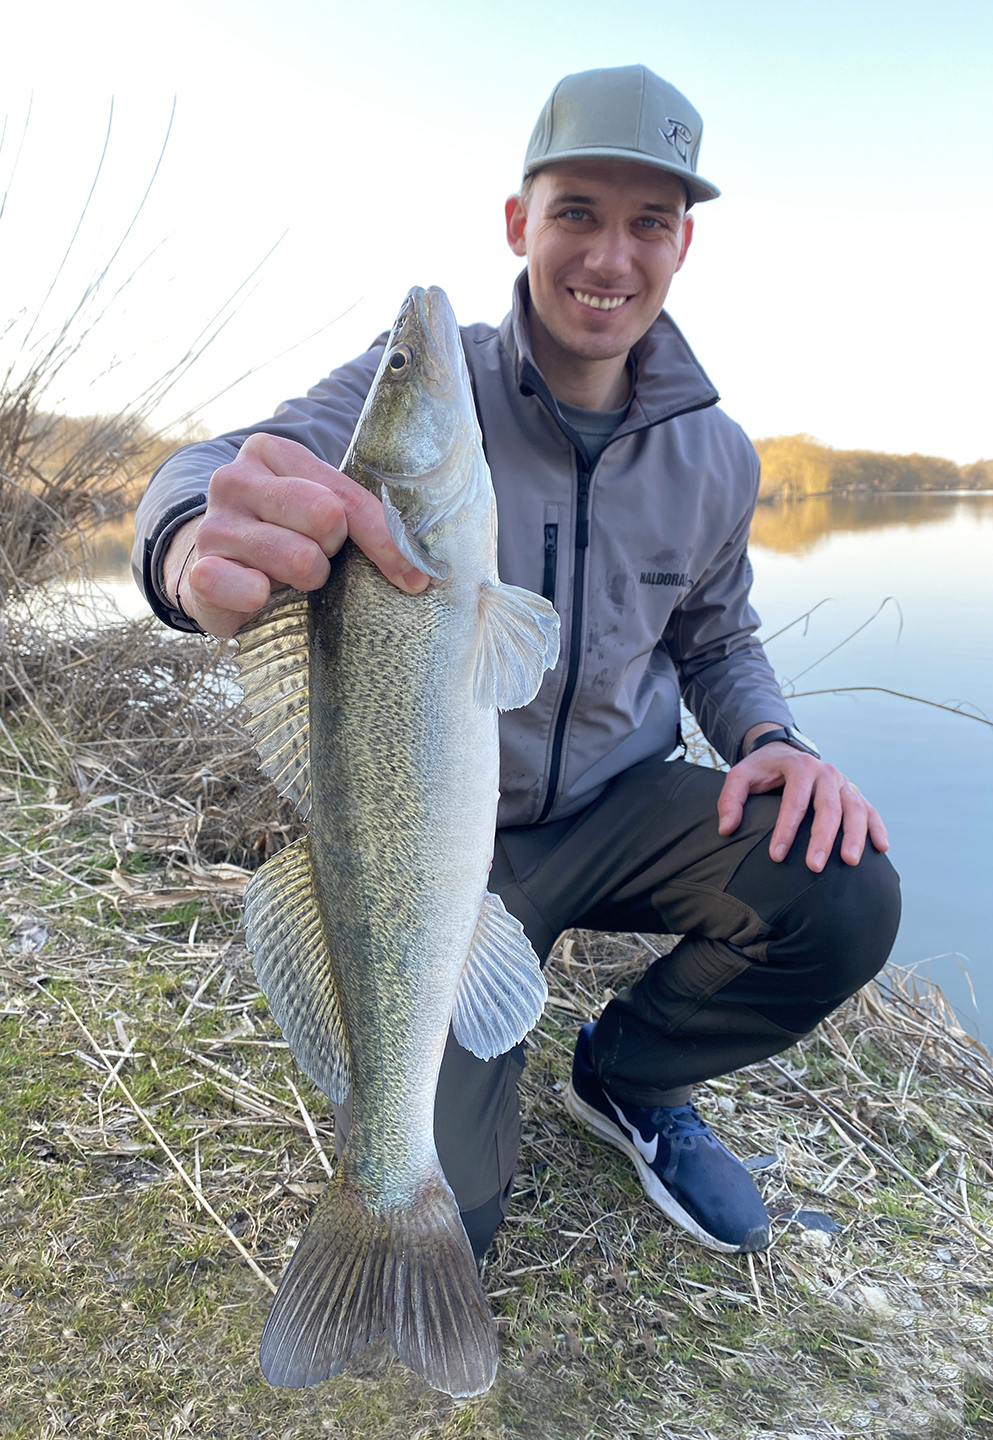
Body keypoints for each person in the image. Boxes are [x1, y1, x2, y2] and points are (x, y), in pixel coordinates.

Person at [133, 64, 900, 1264]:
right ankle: (414, 1156)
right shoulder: (411, 405)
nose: (611, 255)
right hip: (433, 849)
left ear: (682, 244)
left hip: (618, 809)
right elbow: (219, 464)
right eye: (577, 212)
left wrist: (772, 740)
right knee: (446, 1209)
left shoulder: (720, 455)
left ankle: (630, 1078)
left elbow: (719, 635)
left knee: (843, 882)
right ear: (520, 223)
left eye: (648, 222)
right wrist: (187, 543)